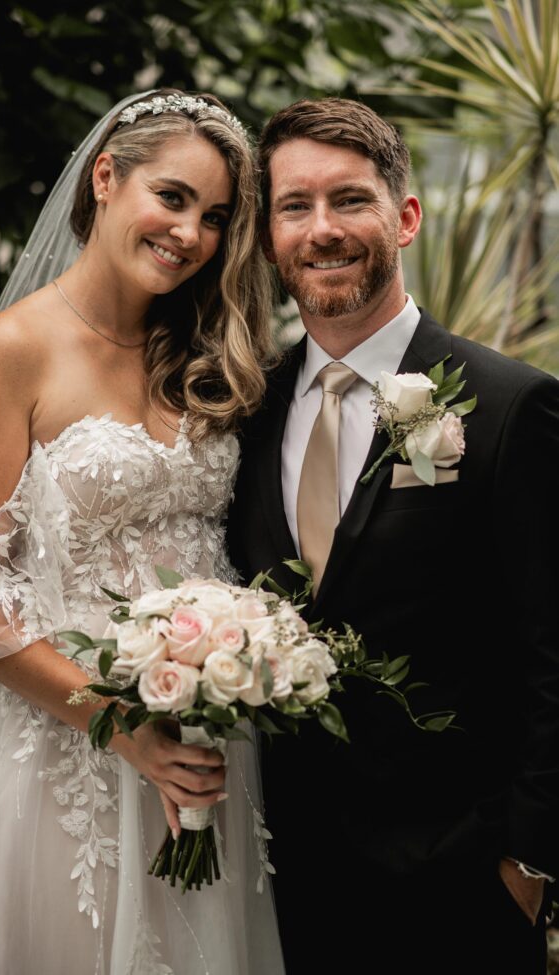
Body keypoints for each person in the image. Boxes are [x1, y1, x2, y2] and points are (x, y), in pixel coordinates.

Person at [0, 89, 286, 974]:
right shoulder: (6, 352)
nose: (191, 233)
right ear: (107, 178)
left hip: (201, 750)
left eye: (216, 217)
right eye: (174, 197)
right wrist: (123, 729)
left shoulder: (199, 355)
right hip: (61, 752)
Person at [227, 97, 559, 974]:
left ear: (405, 217)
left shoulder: (510, 407)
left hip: (458, 893)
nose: (322, 229)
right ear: (269, 236)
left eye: (350, 200)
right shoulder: (242, 414)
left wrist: (527, 862)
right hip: (274, 887)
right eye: (295, 206)